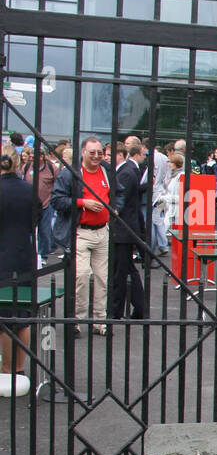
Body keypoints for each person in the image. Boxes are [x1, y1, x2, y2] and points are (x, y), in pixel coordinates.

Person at [51, 137, 112, 335]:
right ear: (83, 152)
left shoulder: (106, 171)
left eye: (99, 153)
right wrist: (82, 202)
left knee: (103, 278)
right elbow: (56, 200)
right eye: (92, 152)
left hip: (102, 231)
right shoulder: (70, 174)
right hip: (80, 231)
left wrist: (115, 208)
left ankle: (100, 321)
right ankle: (76, 320)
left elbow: (119, 192)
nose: (96, 156)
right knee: (82, 276)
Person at [0, 144, 36, 397]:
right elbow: (37, 219)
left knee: (3, 317)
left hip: (2, 256)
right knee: (22, 314)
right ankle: (18, 369)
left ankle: (5, 369)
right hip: (24, 255)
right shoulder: (28, 190)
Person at [110, 141, 148, 320]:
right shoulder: (127, 171)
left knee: (121, 272)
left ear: (120, 155)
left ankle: (117, 311)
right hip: (126, 228)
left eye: (109, 155)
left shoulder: (125, 173)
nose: (107, 158)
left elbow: (121, 202)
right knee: (127, 269)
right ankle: (139, 308)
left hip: (123, 229)